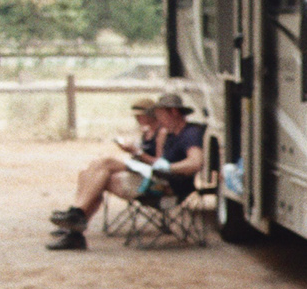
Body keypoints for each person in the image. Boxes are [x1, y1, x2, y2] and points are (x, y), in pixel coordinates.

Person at [47, 93, 206, 250]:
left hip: (169, 187)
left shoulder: (190, 133)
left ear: (174, 112)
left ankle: (75, 223)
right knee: (95, 173)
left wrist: (167, 168)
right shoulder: (170, 134)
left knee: (104, 168)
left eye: (160, 115)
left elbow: (195, 162)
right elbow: (158, 161)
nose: (159, 119)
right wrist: (147, 159)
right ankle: (76, 221)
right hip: (158, 178)